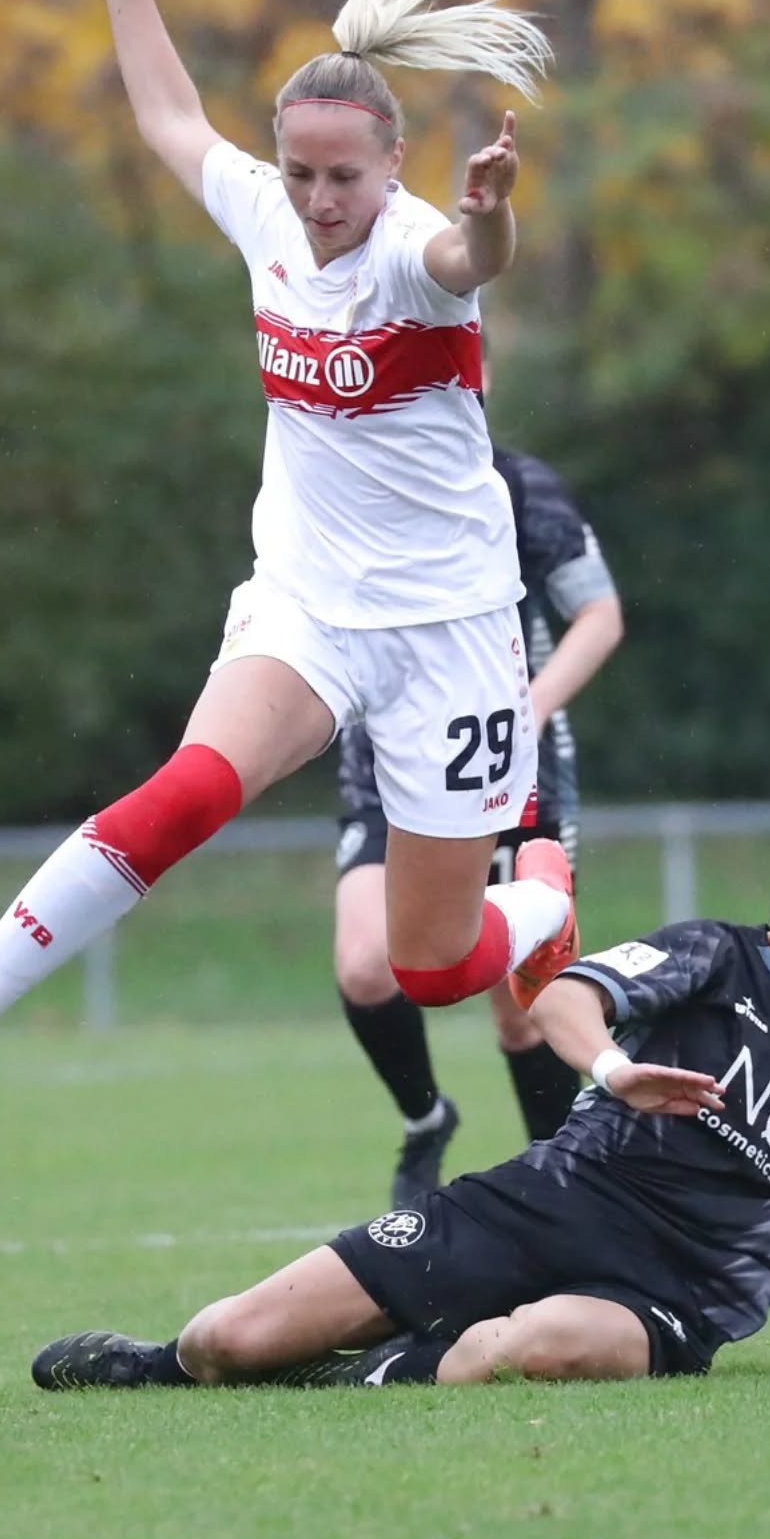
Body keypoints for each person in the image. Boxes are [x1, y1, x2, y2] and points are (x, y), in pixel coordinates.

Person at [0, 0, 577, 1096]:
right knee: (185, 793)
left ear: (391, 166)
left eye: (346, 175)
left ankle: (544, 892)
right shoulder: (270, 217)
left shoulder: (406, 254)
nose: (322, 198)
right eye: (304, 172)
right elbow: (169, 117)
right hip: (311, 603)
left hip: (449, 623)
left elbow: (469, 256)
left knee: (432, 965)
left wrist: (492, 206)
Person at [32, 778, 770, 1389]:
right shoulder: (711, 953)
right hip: (542, 1202)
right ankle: (159, 1367)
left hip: (676, 1286)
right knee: (224, 1341)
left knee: (523, 1349)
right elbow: (564, 996)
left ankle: (361, 1376)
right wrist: (613, 1067)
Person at [336, 385, 623, 1204]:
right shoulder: (349, 478)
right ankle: (426, 1118)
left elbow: (599, 615)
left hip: (504, 765)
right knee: (366, 965)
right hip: (387, 763)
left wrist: (527, 706)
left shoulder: (520, 486)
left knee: (521, 1009)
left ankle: (567, 1191)